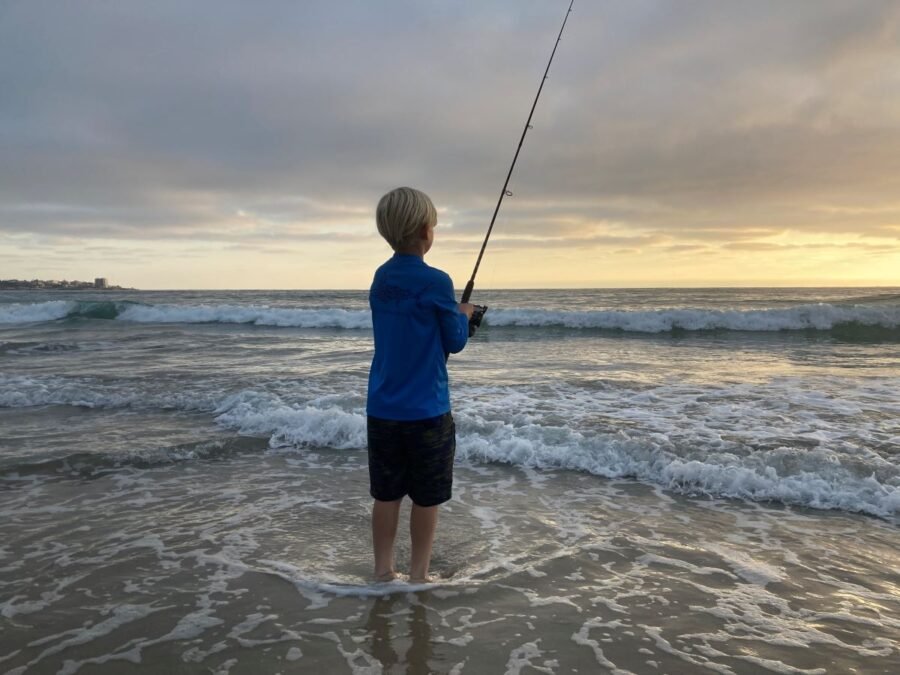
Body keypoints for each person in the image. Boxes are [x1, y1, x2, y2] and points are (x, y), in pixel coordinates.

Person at [366, 186, 474, 583]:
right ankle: (419, 574)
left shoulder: (381, 278)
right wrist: (463, 313)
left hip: (382, 408)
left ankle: (381, 571)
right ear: (427, 231)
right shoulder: (438, 282)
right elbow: (455, 342)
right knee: (426, 498)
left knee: (386, 494)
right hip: (428, 409)